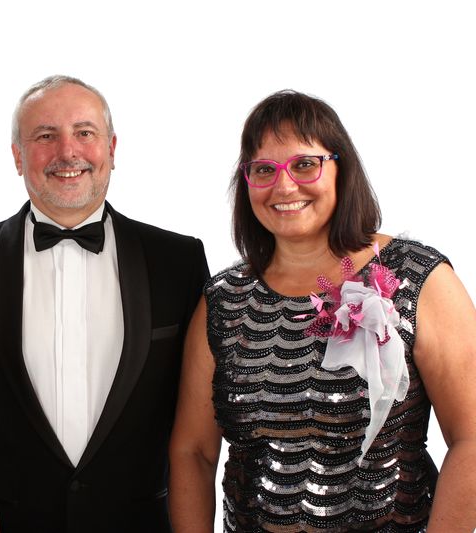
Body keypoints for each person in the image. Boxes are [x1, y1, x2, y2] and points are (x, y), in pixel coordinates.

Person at [169, 90, 476, 532]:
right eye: (264, 169)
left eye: (304, 164)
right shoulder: (223, 300)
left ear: (341, 168)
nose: (284, 186)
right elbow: (194, 452)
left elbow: (470, 439)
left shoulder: (417, 277)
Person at [0, 75, 208, 533]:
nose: (67, 152)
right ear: (17, 156)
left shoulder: (179, 261)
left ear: (112, 148)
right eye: (45, 136)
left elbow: (199, 434)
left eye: (84, 132)